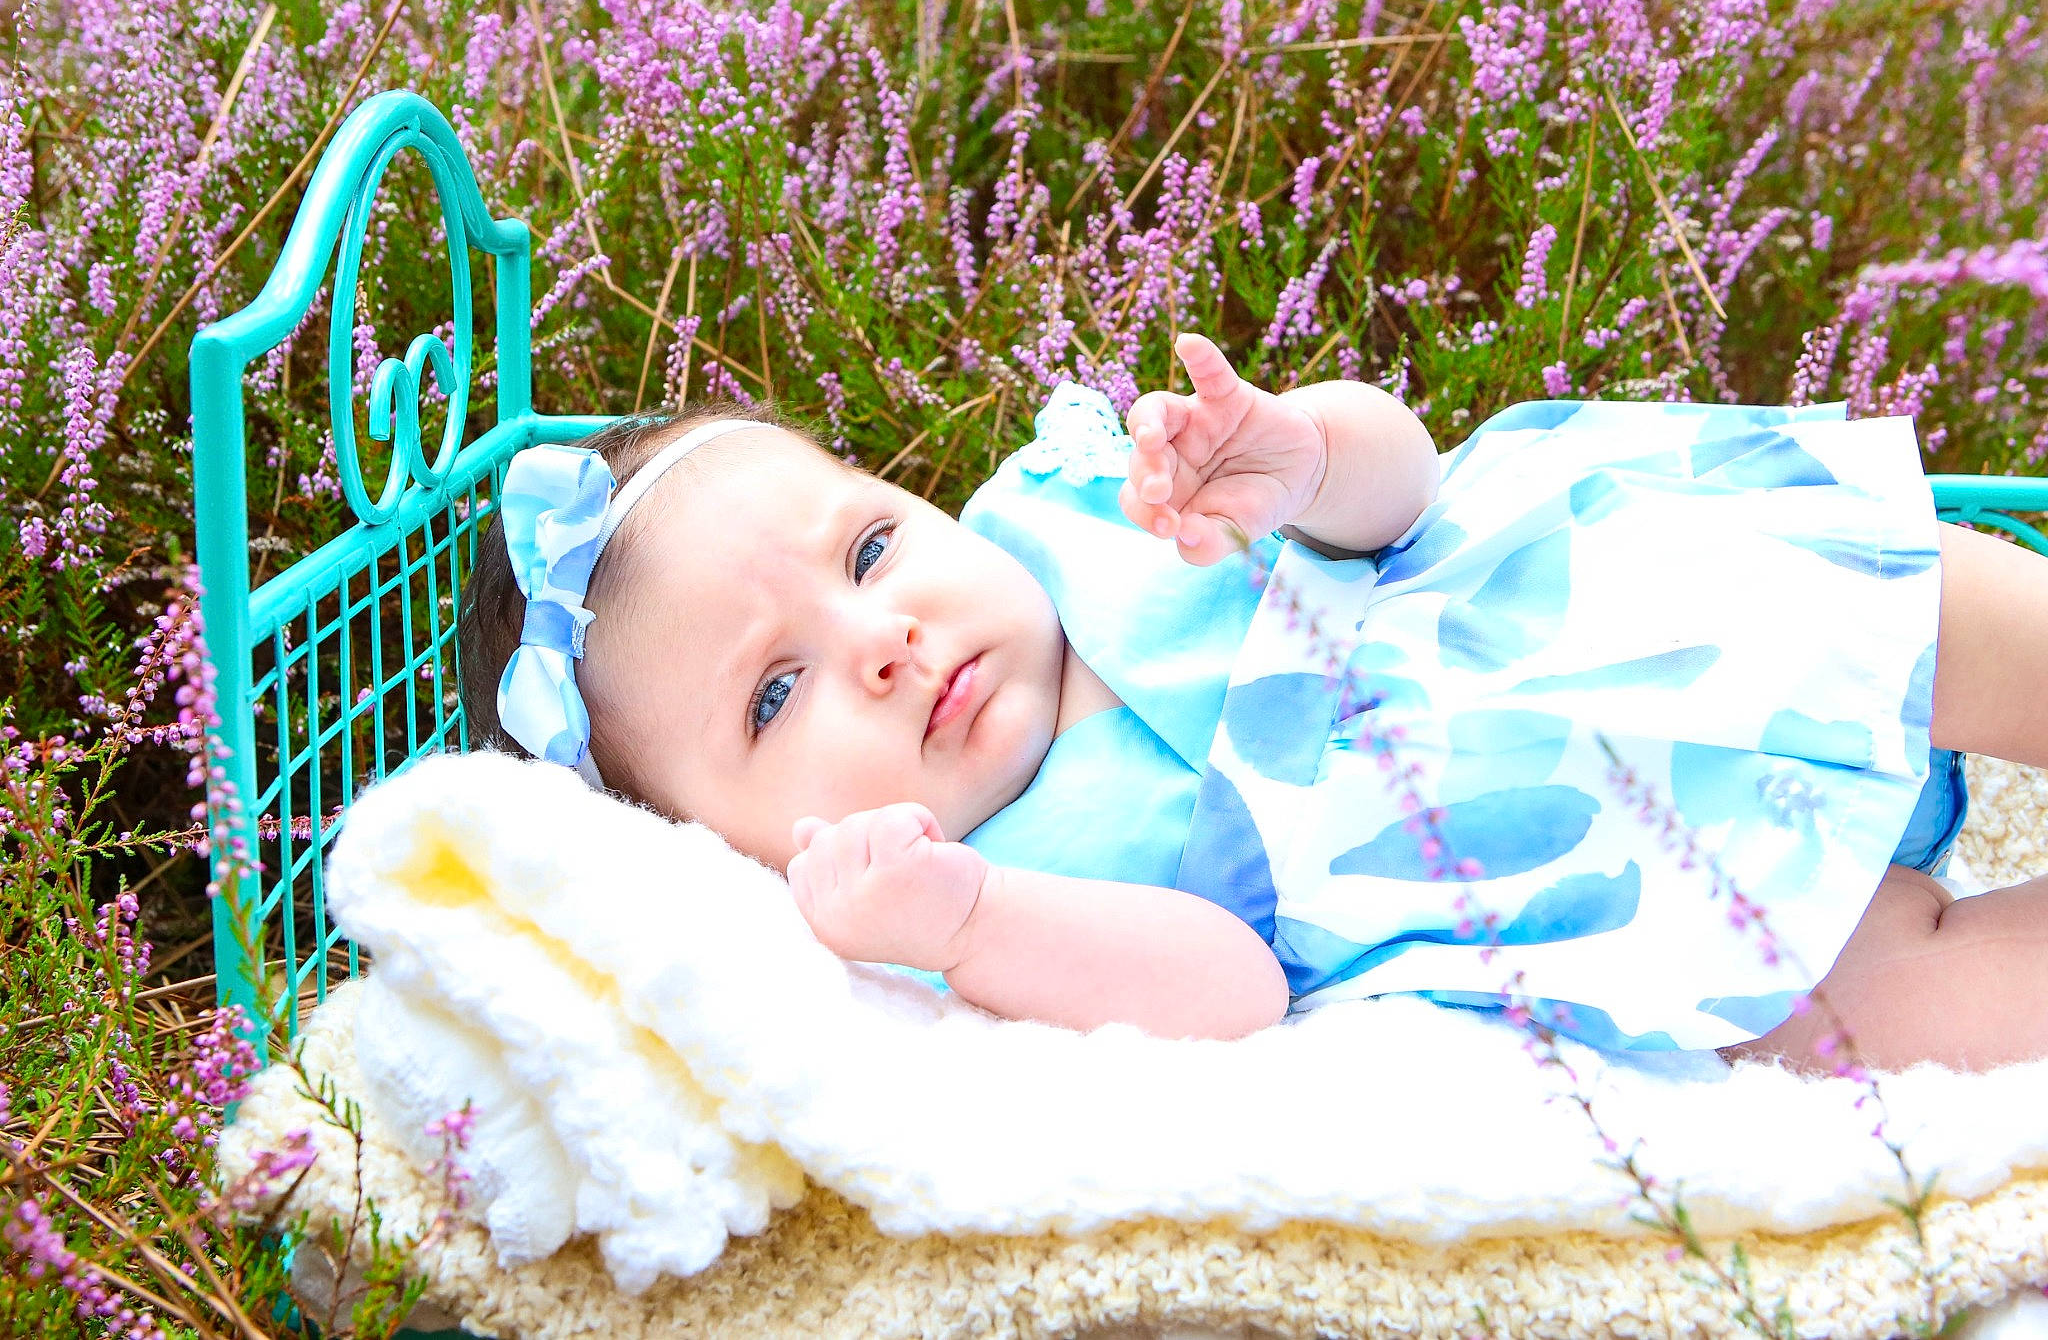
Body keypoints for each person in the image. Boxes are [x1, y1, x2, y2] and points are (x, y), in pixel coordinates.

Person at [456, 334, 2048, 1070]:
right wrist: (966, 921)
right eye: (777, 691)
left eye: (869, 543)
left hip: (1633, 612)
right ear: (723, 853)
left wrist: (1304, 455)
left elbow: (1408, 488)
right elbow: (1232, 993)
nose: (881, 637)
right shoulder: (989, 894)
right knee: (1893, 1002)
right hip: (1571, 871)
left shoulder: (1075, 501)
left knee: (1936, 599)